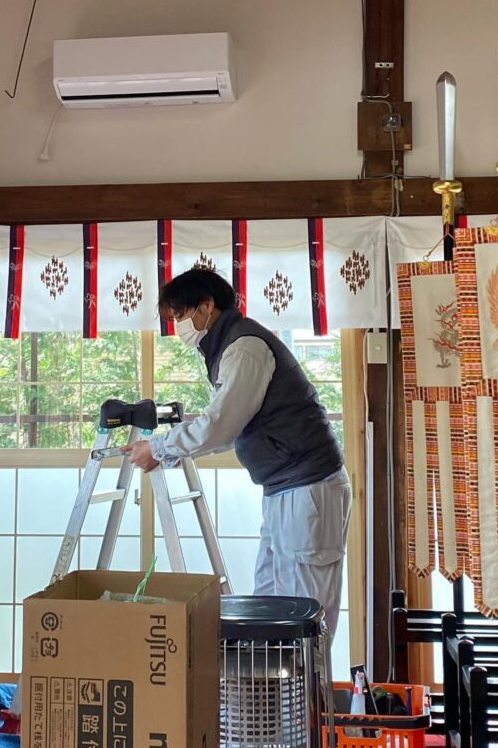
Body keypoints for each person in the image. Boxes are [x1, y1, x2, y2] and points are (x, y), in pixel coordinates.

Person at [122, 268, 351, 635]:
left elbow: (220, 424)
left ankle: (310, 694)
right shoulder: (230, 346)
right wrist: (176, 451)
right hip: (286, 488)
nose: (179, 325)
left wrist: (162, 447)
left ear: (207, 306)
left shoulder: (245, 348)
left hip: (308, 488)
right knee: (273, 608)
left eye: (182, 315)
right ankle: (277, 693)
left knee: (306, 618)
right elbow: (233, 428)